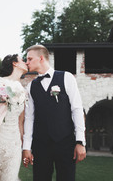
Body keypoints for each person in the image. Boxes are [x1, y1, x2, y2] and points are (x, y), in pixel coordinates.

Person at [22, 44, 86, 181]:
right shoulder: (31, 86)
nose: (26, 62)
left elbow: (77, 109)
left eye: (29, 59)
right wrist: (26, 147)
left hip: (65, 142)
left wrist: (80, 141)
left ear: (40, 58)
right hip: (40, 145)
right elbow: (29, 118)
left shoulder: (67, 77)